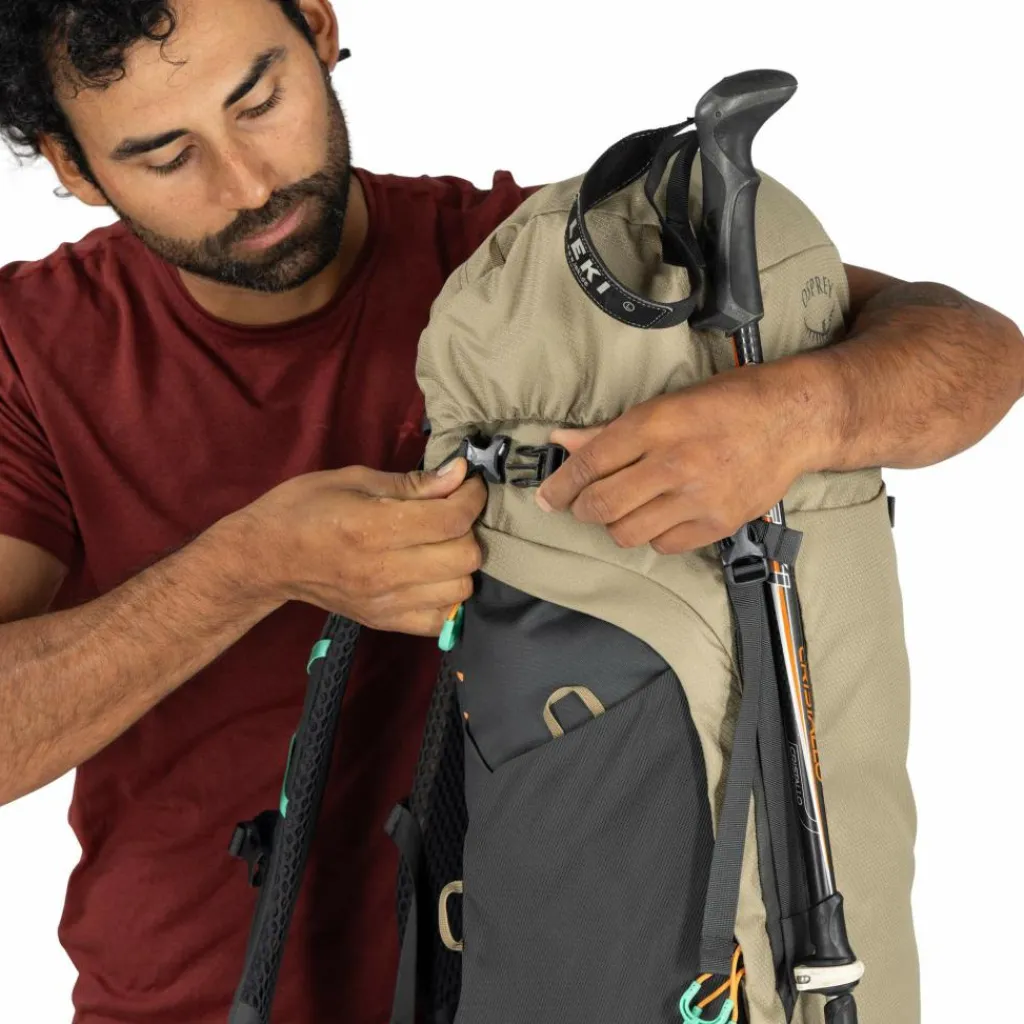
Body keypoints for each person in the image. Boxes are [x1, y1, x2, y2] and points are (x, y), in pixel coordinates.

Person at [0, 2, 1019, 1023]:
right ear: (74, 165)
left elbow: (974, 348)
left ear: (316, 28)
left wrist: (795, 417)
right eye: (167, 156)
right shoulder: (32, 349)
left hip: (571, 985)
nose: (249, 182)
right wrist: (248, 568)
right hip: (181, 1000)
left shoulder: (532, 280)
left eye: (259, 101)